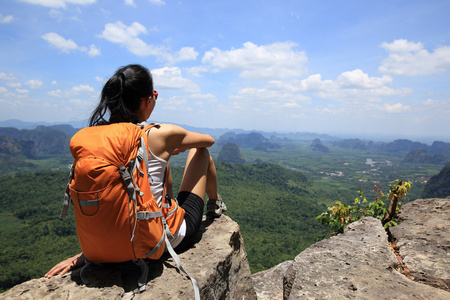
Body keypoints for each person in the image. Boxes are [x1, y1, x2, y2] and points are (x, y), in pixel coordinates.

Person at [45, 64, 226, 278]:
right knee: (201, 153)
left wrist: (88, 254)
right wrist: (174, 145)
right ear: (147, 100)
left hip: (99, 250)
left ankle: (112, 246)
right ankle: (215, 204)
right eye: (155, 96)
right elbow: (208, 141)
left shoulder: (90, 138)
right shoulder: (159, 134)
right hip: (157, 243)